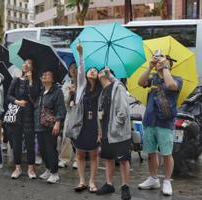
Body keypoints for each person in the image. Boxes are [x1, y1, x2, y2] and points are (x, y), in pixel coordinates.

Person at [137, 51, 182, 196]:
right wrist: (150, 67)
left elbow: (171, 85)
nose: (159, 63)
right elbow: (140, 82)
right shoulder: (153, 79)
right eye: (158, 61)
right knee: (150, 153)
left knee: (166, 154)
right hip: (150, 120)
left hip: (165, 122)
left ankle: (167, 181)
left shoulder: (176, 79)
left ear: (170, 65)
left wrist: (165, 68)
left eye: (162, 61)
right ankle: (153, 178)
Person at [96, 68, 132, 200]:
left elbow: (123, 111)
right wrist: (100, 131)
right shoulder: (102, 91)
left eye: (101, 71)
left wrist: (116, 127)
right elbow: (100, 113)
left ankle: (125, 186)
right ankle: (109, 184)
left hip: (118, 132)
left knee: (123, 160)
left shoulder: (117, 87)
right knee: (109, 158)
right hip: (106, 132)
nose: (99, 73)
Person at [72, 43, 102, 193]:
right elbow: (81, 70)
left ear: (98, 76)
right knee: (80, 153)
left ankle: (92, 181)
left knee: (94, 154)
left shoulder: (101, 90)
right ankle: (82, 180)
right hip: (80, 124)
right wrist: (81, 54)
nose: (92, 70)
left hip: (94, 125)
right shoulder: (81, 86)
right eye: (91, 69)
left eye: (95, 70)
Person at [6, 59, 40, 179]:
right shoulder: (16, 79)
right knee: (16, 142)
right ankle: (18, 168)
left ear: (33, 68)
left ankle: (31, 168)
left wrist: (30, 81)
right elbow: (8, 96)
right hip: (17, 114)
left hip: (29, 115)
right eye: (25, 62)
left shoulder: (36, 81)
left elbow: (35, 98)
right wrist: (17, 101)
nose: (26, 64)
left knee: (30, 142)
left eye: (29, 63)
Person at [34, 68, 66, 183]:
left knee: (51, 149)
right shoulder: (41, 91)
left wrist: (57, 123)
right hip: (39, 125)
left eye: (47, 75)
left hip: (50, 126)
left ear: (52, 79)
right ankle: (48, 168)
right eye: (43, 74)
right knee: (42, 149)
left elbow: (61, 109)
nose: (44, 76)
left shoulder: (57, 91)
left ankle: (54, 173)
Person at [58, 62, 78, 169]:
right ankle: (64, 159)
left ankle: (77, 160)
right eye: (71, 68)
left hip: (79, 113)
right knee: (66, 136)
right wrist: (70, 93)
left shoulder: (83, 83)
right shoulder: (66, 83)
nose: (73, 69)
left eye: (75, 68)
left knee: (78, 137)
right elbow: (63, 101)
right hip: (69, 113)